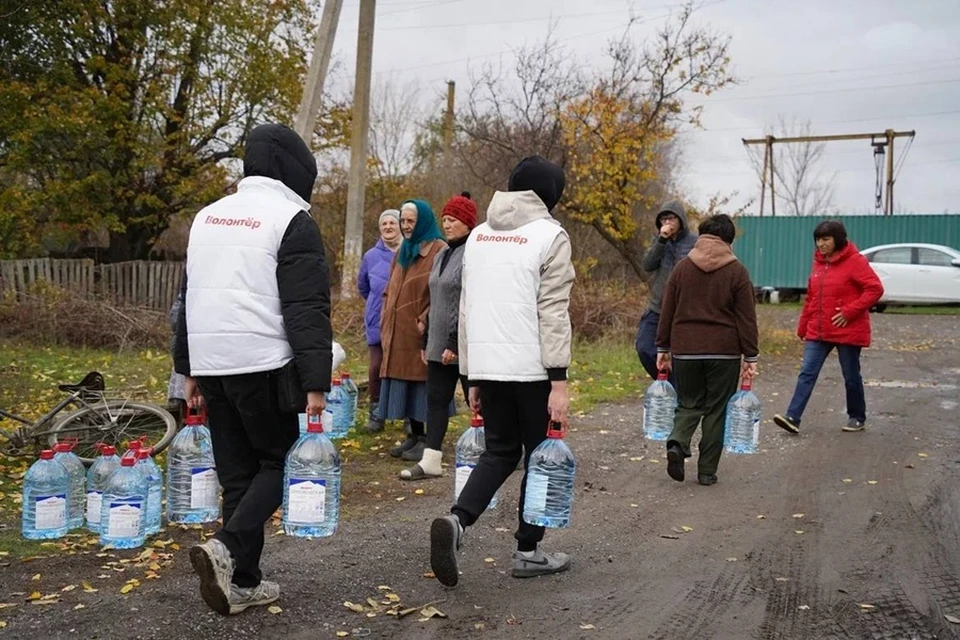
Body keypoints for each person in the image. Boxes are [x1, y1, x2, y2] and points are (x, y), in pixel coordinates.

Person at [173, 123, 332, 616]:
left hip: (212, 362)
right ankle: (227, 547)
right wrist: (316, 382)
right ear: (296, 168)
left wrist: (187, 369)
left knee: (238, 475)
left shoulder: (208, 216)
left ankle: (242, 580)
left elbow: (187, 298)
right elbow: (306, 307)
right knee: (280, 464)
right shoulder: (291, 220)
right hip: (263, 363)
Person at [430, 155, 575, 587]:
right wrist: (559, 379)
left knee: (499, 451)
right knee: (541, 459)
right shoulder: (551, 236)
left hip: (489, 368)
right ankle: (528, 552)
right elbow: (553, 311)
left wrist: (472, 375)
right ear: (549, 195)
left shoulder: (478, 237)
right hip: (533, 370)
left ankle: (457, 522)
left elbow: (467, 308)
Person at [655, 214, 759, 486]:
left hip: (686, 350)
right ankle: (706, 472)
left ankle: (677, 443)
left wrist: (663, 347)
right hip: (724, 352)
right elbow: (746, 318)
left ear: (702, 235)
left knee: (689, 403)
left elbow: (667, 310)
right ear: (729, 240)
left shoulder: (682, 268)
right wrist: (751, 356)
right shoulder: (737, 271)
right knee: (716, 410)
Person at [773, 220, 883, 435]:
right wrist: (803, 326)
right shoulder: (819, 263)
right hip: (819, 329)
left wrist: (849, 311)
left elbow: (875, 288)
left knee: (851, 376)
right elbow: (812, 297)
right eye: (818, 240)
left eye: (826, 239)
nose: (820, 244)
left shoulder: (855, 261)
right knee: (807, 372)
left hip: (847, 330)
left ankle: (857, 417)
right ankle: (793, 417)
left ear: (837, 239)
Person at [400, 192, 476, 481]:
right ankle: (431, 459)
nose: (447, 224)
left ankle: (502, 450)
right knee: (436, 401)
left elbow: (468, 299)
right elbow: (436, 297)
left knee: (477, 399)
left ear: (467, 222)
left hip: (463, 343)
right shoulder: (443, 252)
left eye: (453, 220)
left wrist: (454, 342)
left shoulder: (474, 252)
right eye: (444, 219)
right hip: (437, 342)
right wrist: (427, 339)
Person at [379, 199, 447, 462]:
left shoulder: (438, 249)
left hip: (421, 332)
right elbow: (391, 285)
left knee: (423, 385)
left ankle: (430, 440)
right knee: (404, 384)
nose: (406, 227)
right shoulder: (404, 249)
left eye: (411, 222)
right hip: (398, 330)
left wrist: (424, 320)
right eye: (403, 221)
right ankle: (414, 436)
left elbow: (441, 292)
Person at [636, 201, 697, 381]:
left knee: (680, 355)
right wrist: (661, 240)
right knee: (644, 347)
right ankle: (667, 383)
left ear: (681, 220)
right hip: (657, 307)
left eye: (671, 218)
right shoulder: (659, 241)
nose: (667, 223)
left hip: (683, 309)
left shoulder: (694, 242)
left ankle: (678, 390)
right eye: (663, 219)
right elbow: (647, 265)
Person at [358, 209, 402, 433]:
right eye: (383, 223)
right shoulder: (370, 256)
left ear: (400, 225)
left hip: (403, 321)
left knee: (403, 369)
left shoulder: (410, 252)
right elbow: (363, 287)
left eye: (392, 222)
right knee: (376, 367)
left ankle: (407, 416)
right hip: (377, 319)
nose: (387, 227)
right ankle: (376, 414)